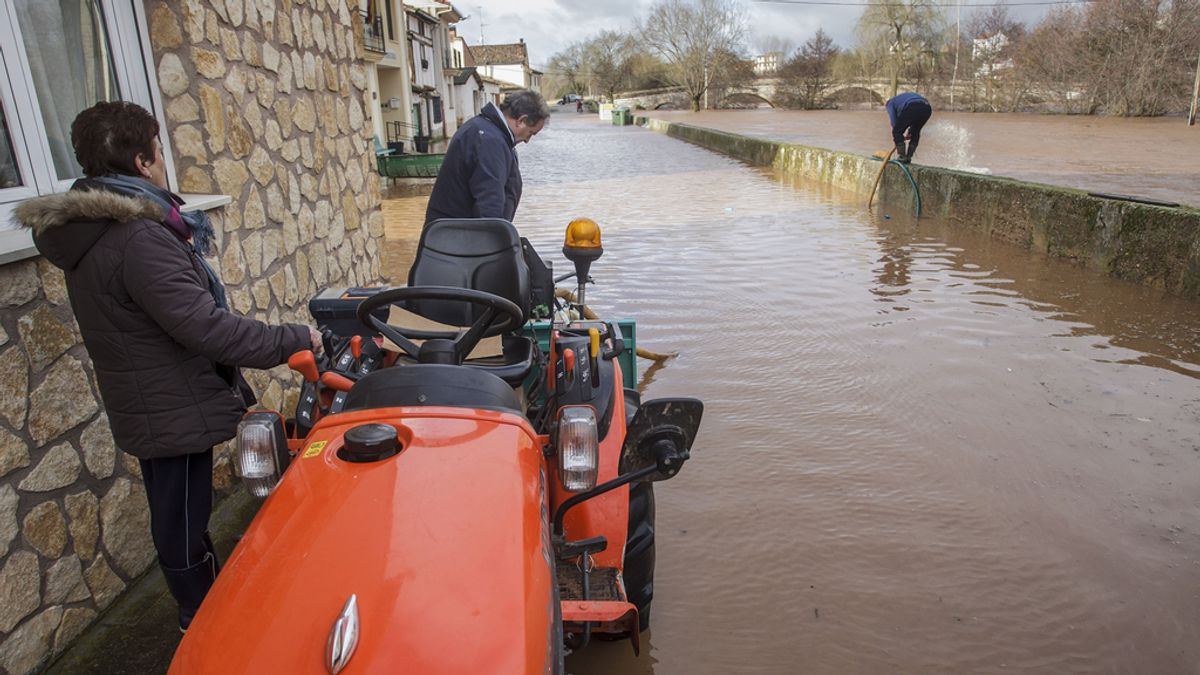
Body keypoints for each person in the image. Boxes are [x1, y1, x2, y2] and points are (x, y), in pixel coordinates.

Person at [15, 101, 322, 632]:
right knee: (181, 519)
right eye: (159, 150)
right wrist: (295, 339)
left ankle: (203, 606)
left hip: (150, 394)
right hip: (168, 401)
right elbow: (205, 327)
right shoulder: (137, 237)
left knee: (179, 511)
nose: (163, 161)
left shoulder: (97, 229)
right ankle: (199, 621)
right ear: (141, 161)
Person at [424, 90, 550, 225]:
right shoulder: (490, 141)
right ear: (521, 121)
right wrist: (495, 240)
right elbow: (490, 202)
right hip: (459, 238)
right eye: (531, 133)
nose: (527, 140)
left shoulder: (486, 130)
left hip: (453, 234)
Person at [885, 92, 933, 164]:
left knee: (896, 131)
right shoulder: (901, 100)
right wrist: (909, 132)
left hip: (913, 106)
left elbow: (894, 121)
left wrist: (898, 140)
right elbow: (911, 119)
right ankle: (908, 157)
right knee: (915, 131)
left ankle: (902, 156)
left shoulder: (890, 104)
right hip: (927, 108)